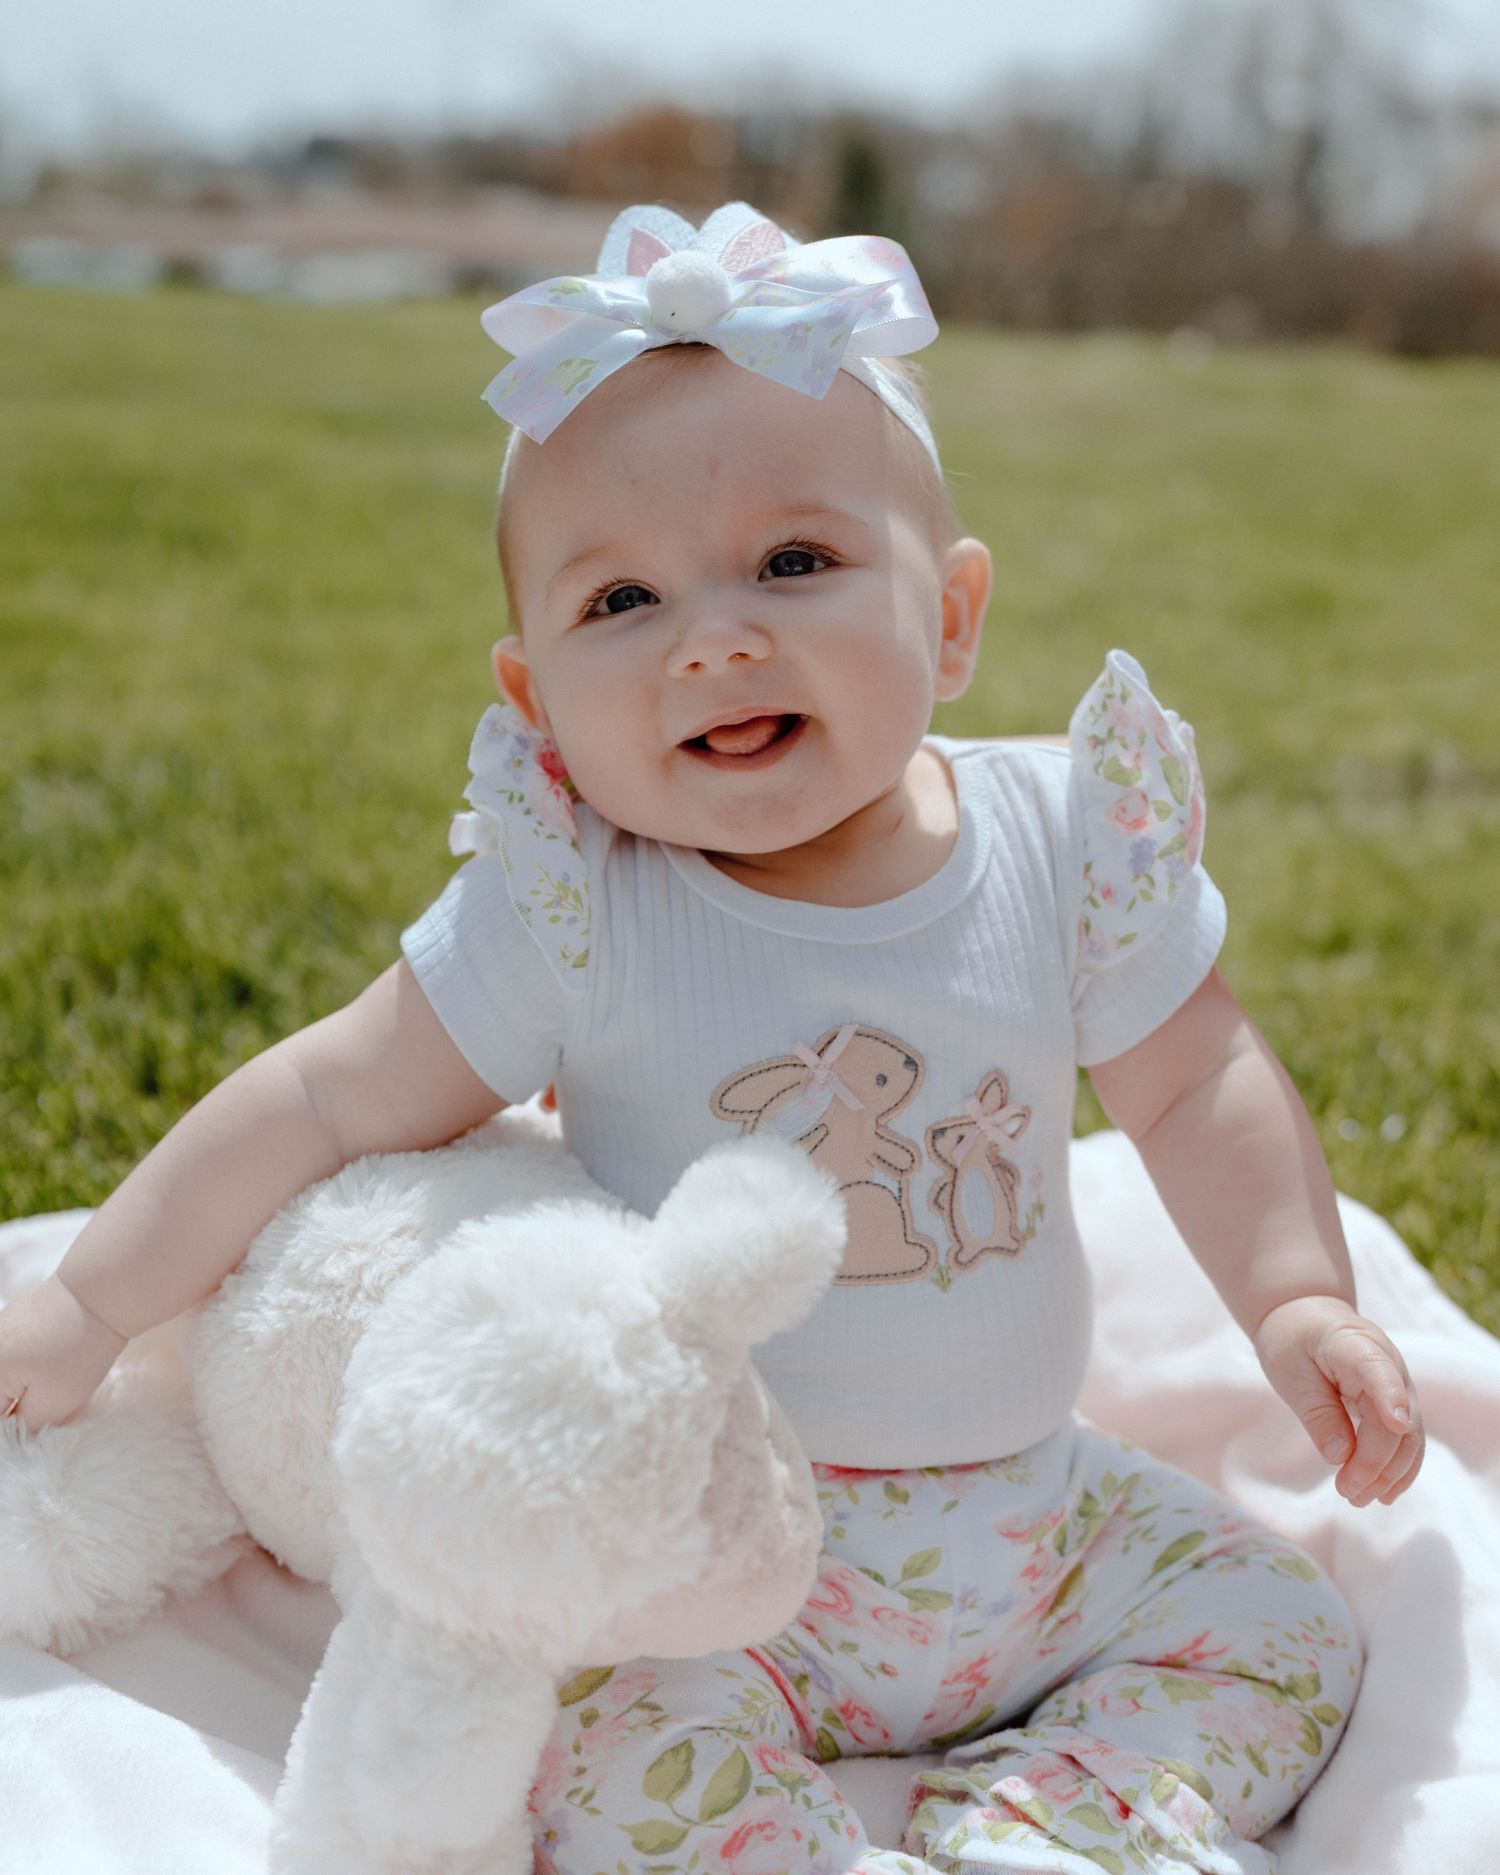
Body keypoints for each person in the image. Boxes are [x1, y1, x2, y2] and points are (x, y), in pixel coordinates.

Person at [0, 202, 1425, 1873]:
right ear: (536, 703)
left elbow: (1196, 1080)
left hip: (1040, 1514)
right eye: (621, 600)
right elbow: (326, 1096)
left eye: (796, 563)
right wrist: (93, 1301)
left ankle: (1062, 1819)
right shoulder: (579, 909)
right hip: (714, 1563)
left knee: (1286, 1626)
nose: (716, 634)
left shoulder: (1060, 839)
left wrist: (1296, 1291)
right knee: (593, 1752)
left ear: (952, 619)